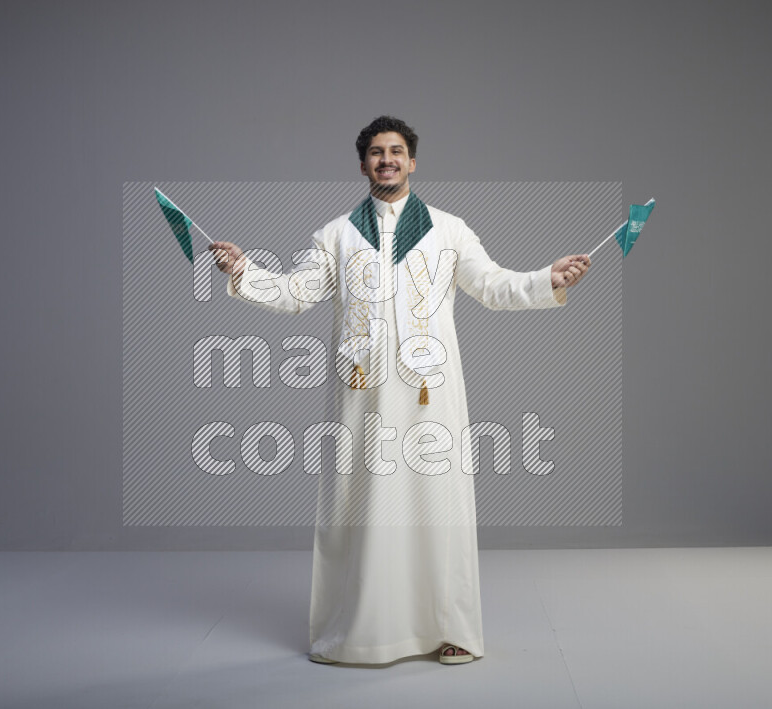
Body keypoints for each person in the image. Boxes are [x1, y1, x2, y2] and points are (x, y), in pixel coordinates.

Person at [208, 116, 591, 665]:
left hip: (430, 395)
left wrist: (546, 278)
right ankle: (360, 630)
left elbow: (493, 286)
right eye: (376, 153)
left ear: (413, 162)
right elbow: (296, 292)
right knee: (358, 508)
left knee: (440, 506)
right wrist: (243, 270)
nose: (386, 160)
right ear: (363, 163)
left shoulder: (450, 229)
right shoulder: (336, 234)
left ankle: (452, 629)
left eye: (396, 151)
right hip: (361, 396)